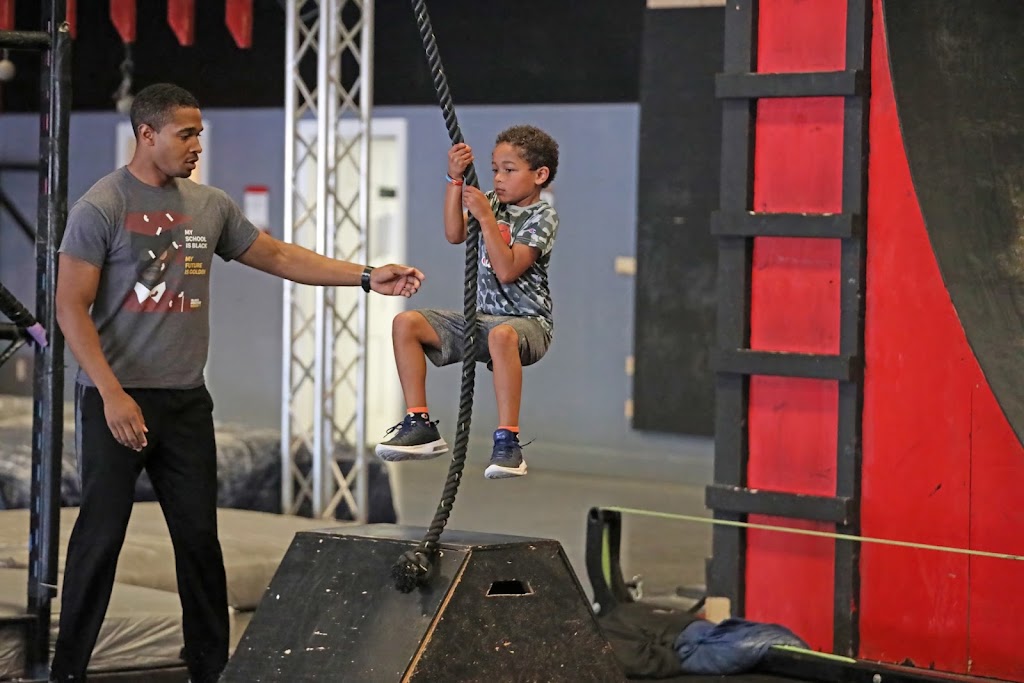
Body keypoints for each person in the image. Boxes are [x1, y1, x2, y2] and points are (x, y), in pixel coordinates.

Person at [49, 83, 424, 683]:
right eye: (185, 134)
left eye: (200, 134)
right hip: (115, 399)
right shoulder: (102, 206)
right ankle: (66, 671)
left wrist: (364, 275)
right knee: (100, 538)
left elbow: (278, 256)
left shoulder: (210, 205)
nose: (197, 145)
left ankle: (209, 669)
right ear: (147, 134)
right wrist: (112, 394)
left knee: (200, 540)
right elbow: (71, 306)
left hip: (185, 402)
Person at [374, 125, 559, 480]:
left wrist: (486, 218)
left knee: (502, 335)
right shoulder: (491, 202)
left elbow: (507, 269)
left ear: (539, 175)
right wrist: (454, 181)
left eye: (509, 170)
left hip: (528, 325)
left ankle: (508, 441)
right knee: (406, 323)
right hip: (484, 321)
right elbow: (454, 233)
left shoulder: (542, 216)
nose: (499, 178)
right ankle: (419, 422)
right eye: (495, 169)